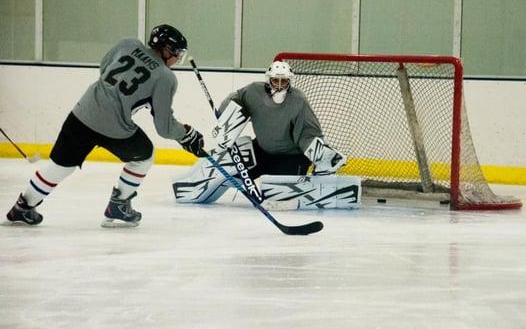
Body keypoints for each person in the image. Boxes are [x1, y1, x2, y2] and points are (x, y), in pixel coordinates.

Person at [6, 24, 206, 227]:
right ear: (166, 49)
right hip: (115, 128)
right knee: (144, 155)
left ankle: (22, 207)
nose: (177, 59)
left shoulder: (127, 43)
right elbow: (164, 127)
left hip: (83, 112)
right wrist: (187, 134)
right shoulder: (165, 77)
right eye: (177, 53)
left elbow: (104, 68)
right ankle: (119, 204)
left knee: (60, 167)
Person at [172, 61, 360, 210]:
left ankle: (298, 192)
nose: (279, 85)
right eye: (275, 81)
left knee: (275, 194)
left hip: (291, 158)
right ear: (268, 80)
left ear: (289, 82)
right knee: (227, 163)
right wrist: (225, 116)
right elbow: (237, 99)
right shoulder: (254, 91)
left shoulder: (298, 101)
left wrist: (319, 154)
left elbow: (308, 133)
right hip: (261, 151)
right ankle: (191, 186)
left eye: (283, 81)